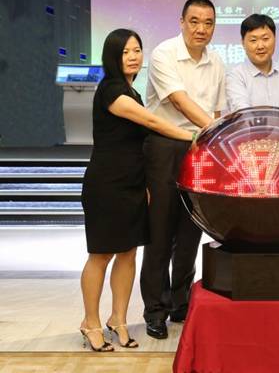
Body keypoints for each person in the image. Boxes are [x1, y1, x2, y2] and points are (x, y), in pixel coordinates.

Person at [80, 29, 192, 352]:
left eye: (137, 50)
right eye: (125, 51)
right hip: (106, 185)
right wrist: (193, 136)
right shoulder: (112, 90)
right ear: (112, 57)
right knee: (101, 255)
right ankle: (90, 322)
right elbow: (153, 124)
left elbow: (139, 146)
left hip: (132, 185)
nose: (133, 56)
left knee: (128, 254)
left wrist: (145, 185)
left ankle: (118, 319)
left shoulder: (133, 91)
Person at [140, 0, 226, 340]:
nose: (201, 29)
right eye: (194, 21)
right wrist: (216, 132)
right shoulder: (164, 53)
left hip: (200, 149)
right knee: (160, 233)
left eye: (208, 23)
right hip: (165, 146)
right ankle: (155, 310)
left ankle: (180, 303)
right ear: (181, 22)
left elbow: (216, 110)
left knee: (191, 230)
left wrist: (212, 141)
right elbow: (179, 101)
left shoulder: (216, 61)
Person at [226, 14, 279, 111]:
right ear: (243, 43)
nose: (260, 46)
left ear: (275, 38)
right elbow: (242, 112)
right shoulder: (236, 76)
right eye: (253, 40)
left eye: (265, 39)